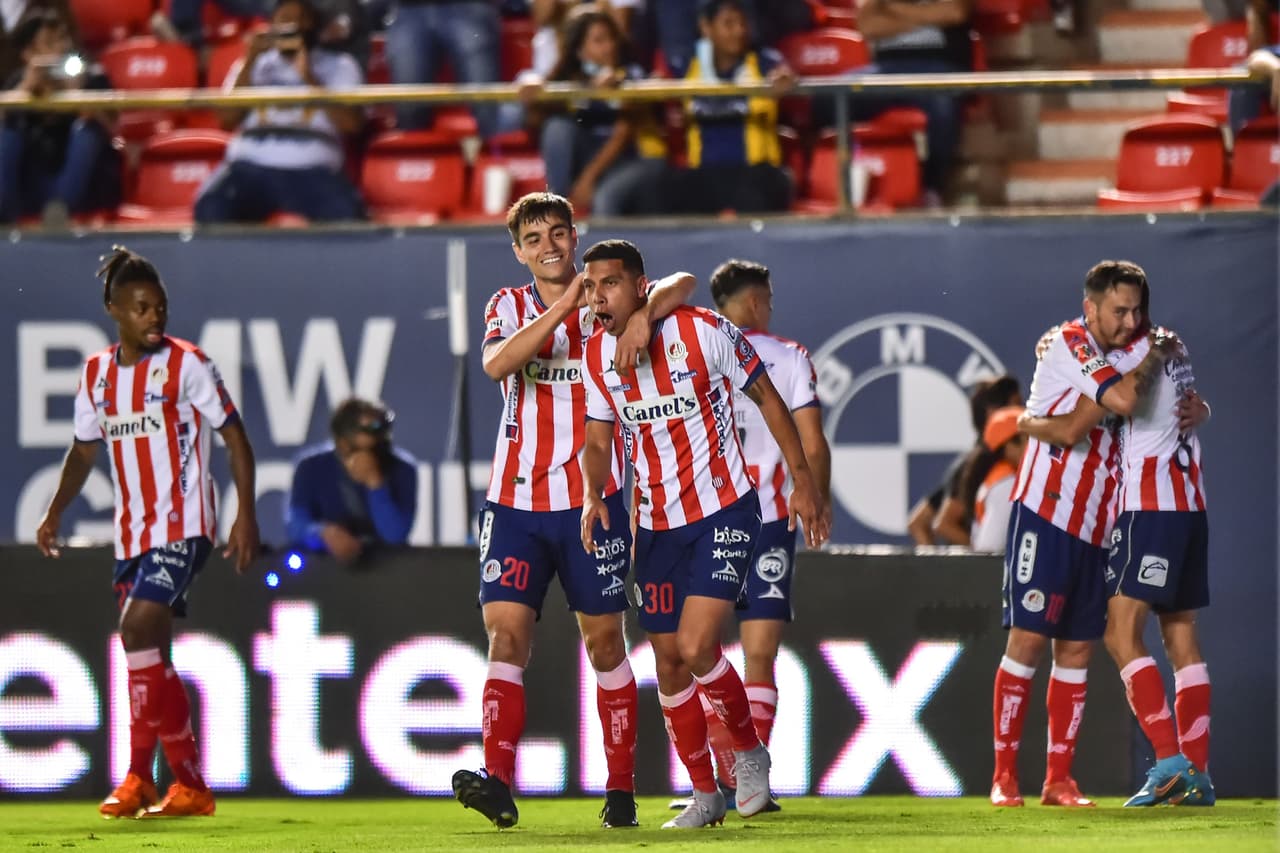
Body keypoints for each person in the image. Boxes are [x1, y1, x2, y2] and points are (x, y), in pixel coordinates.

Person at [451, 192, 696, 831]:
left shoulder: (608, 300)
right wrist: (564, 305)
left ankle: (620, 790)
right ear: (519, 252)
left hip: (594, 501)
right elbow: (498, 363)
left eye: (559, 233)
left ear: (574, 233)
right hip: (513, 504)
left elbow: (681, 282)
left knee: (606, 644)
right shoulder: (509, 305)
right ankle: (498, 782)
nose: (550, 247)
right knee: (505, 636)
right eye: (535, 239)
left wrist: (645, 316)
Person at [578, 239, 829, 829]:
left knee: (695, 647)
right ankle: (704, 795)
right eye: (590, 287)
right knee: (667, 662)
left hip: (724, 510)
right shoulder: (595, 356)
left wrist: (802, 482)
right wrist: (593, 491)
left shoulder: (701, 331)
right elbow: (596, 438)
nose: (596, 297)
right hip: (657, 524)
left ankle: (748, 754)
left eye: (609, 284)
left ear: (641, 287)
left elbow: (767, 399)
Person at [35, 246, 260, 818]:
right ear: (114, 310)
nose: (154, 317)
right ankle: (173, 783)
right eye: (141, 309)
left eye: (159, 307)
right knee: (150, 656)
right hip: (132, 533)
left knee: (135, 630)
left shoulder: (188, 365)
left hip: (185, 524)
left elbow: (234, 437)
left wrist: (245, 513)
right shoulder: (97, 375)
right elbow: (84, 452)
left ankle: (151, 777)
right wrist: (55, 509)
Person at [1017, 261, 1215, 807]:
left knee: (1118, 634)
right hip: (1191, 503)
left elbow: (1106, 407)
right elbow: (1193, 407)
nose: (1127, 321)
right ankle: (1196, 776)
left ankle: (1172, 766)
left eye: (1134, 311)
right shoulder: (1175, 349)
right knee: (1180, 636)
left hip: (1150, 507)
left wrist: (1027, 418)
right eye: (1119, 310)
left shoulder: (1133, 354)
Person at [668, 258, 831, 812]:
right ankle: (745, 779)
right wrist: (814, 496)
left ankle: (722, 777)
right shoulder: (787, 357)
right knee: (757, 653)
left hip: (702, 516)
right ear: (759, 300)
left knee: (699, 649)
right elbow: (811, 437)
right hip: (767, 517)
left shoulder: (697, 347)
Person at [194, 0, 365, 224]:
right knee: (210, 207)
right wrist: (250, 60)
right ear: (271, 24)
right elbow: (226, 119)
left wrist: (310, 79)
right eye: (285, 19)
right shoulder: (253, 63)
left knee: (347, 212)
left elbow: (352, 125)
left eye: (301, 19)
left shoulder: (340, 65)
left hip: (312, 170)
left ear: (315, 25)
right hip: (250, 166)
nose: (293, 26)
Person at [525, 6, 666, 216]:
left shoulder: (630, 75)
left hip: (633, 160)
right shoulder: (569, 81)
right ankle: (556, 208)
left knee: (605, 198)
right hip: (588, 157)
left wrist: (587, 180)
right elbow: (534, 122)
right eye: (599, 41)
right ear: (579, 50)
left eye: (611, 39)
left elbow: (622, 135)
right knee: (557, 127)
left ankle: (608, 249)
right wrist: (536, 88)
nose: (609, 47)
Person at [660, 0, 795, 215]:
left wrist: (784, 79)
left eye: (742, 23)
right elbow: (652, 82)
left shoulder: (764, 62)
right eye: (729, 24)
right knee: (668, 191)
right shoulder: (688, 65)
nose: (739, 31)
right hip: (705, 173)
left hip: (756, 172)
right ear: (706, 27)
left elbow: (784, 74)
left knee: (770, 187)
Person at [0, 8, 120, 225]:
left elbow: (114, 127)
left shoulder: (91, 74)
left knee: (87, 132)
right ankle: (5, 216)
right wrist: (25, 89)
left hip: (83, 186)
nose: (61, 48)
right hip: (32, 182)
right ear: (29, 54)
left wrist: (75, 95)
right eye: (50, 43)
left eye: (63, 39)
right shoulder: (18, 83)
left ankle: (61, 209)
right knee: (7, 135)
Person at [286, 397, 417, 561]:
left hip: (386, 568)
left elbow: (395, 535)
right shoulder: (310, 467)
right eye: (361, 450)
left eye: (377, 448)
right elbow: (295, 524)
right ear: (342, 444)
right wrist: (323, 533)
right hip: (325, 566)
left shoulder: (403, 469)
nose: (369, 458)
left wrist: (376, 484)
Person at [906, 375, 1021, 546]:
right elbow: (939, 524)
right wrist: (982, 557)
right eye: (1016, 404)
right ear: (992, 414)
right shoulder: (974, 466)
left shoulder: (980, 463)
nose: (1024, 411)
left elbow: (920, 521)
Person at [963, 405, 1025, 554]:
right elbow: (989, 549)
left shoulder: (1002, 476)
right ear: (1009, 445)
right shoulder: (1007, 484)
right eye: (1029, 438)